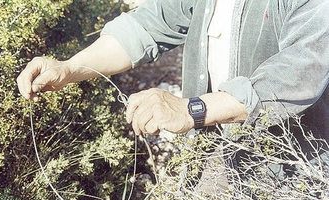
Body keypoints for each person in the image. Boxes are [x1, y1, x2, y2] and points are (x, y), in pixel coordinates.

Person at [17, 0, 329, 178]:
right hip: (232, 159)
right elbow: (147, 26)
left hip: (302, 165)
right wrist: (68, 68)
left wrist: (190, 109)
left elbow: (302, 69)